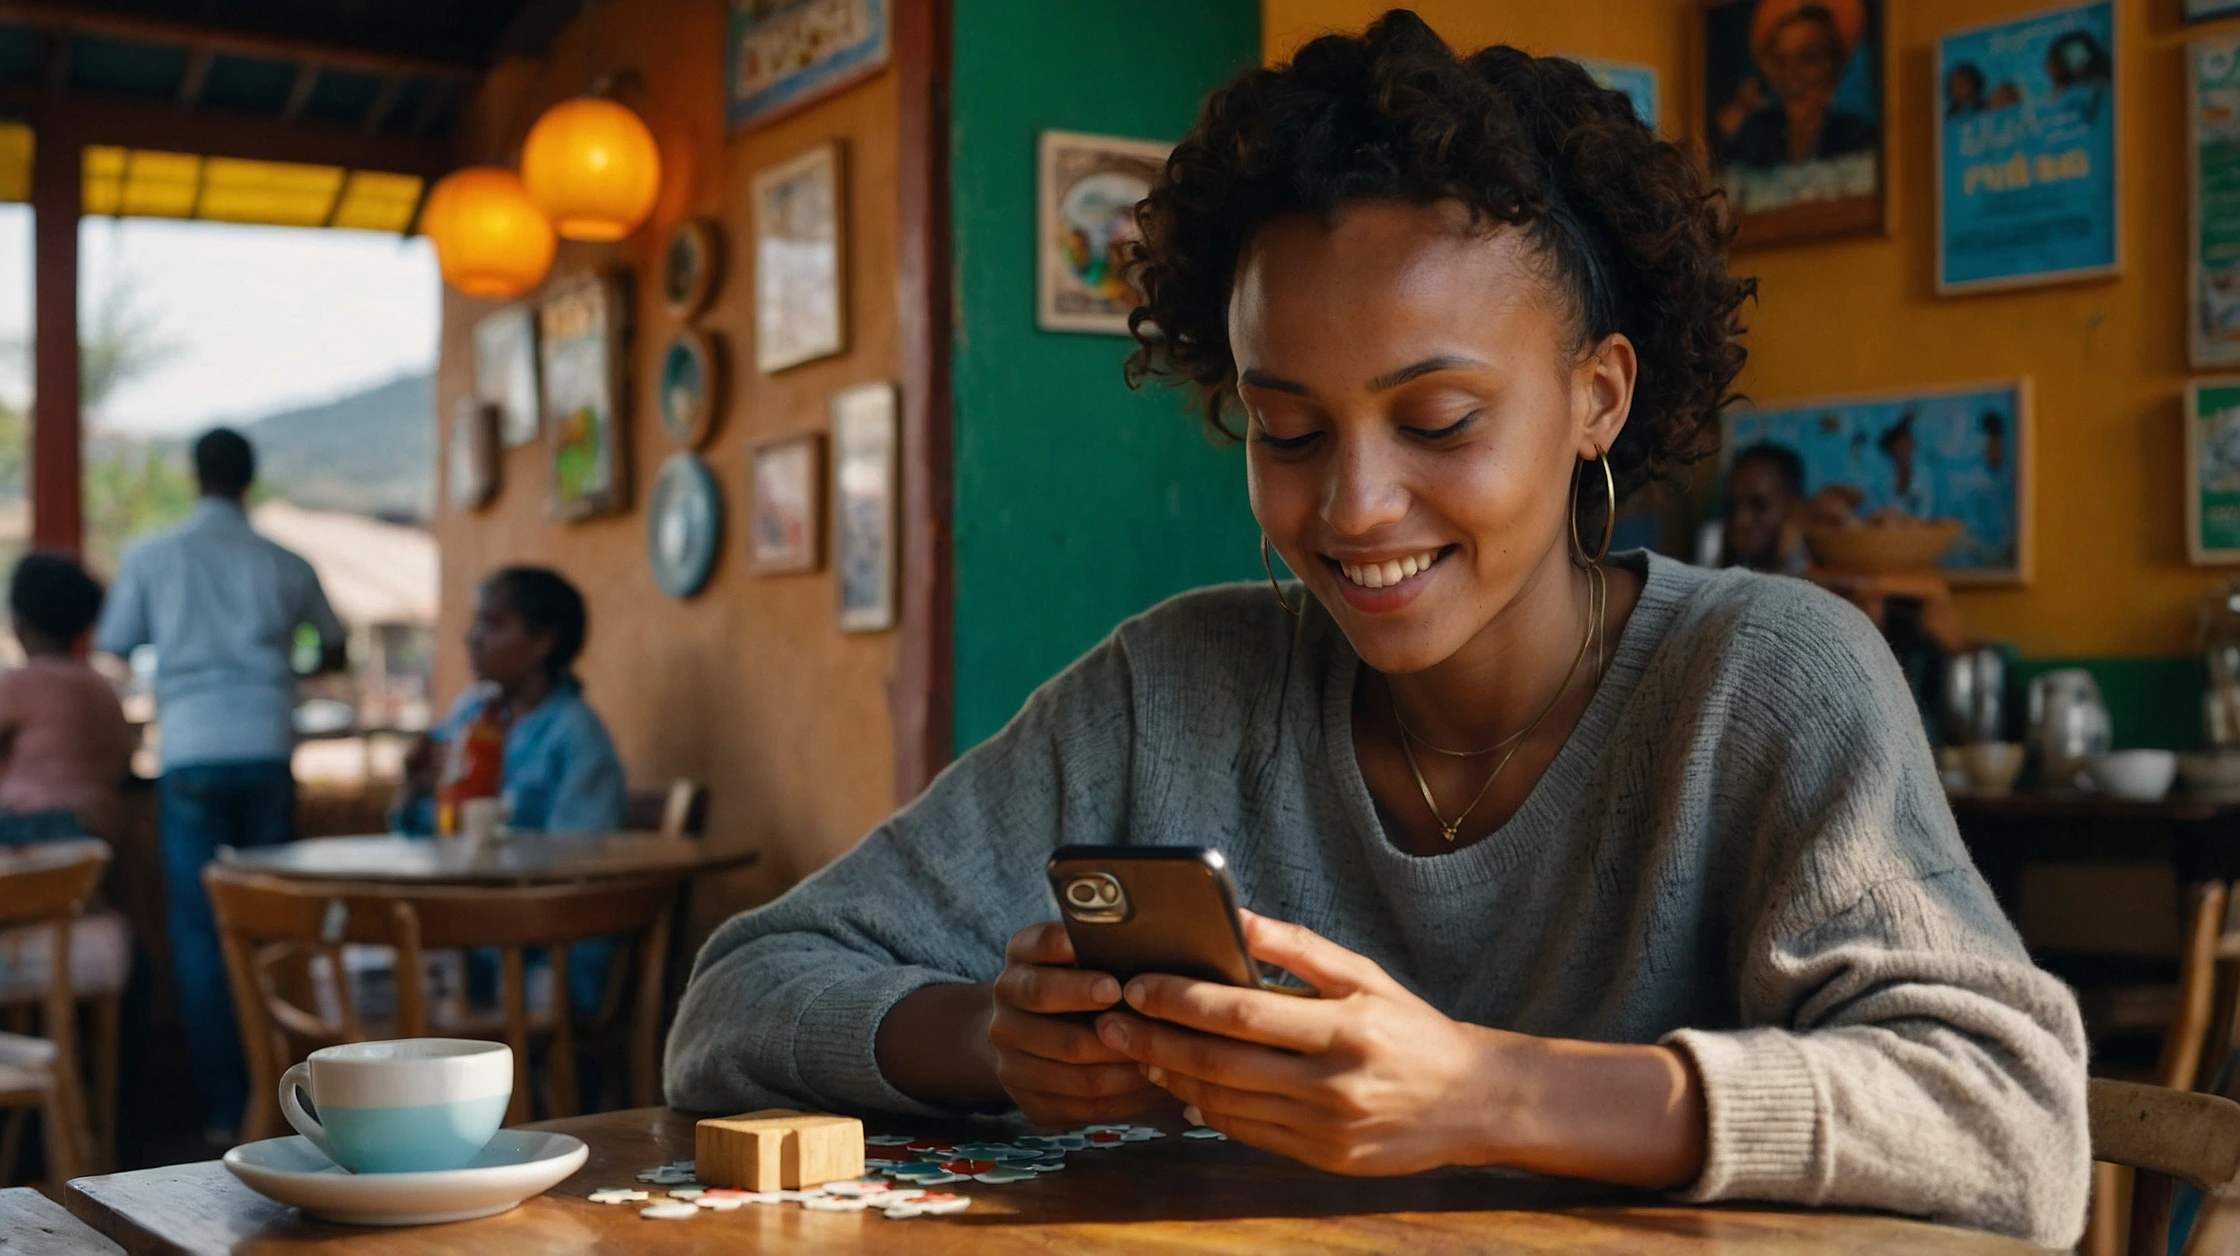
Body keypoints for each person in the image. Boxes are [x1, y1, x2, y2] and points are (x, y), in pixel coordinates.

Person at [665, 12, 2087, 1248]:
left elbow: (2015, 1130)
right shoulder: (1178, 686)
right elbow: (734, 1001)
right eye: (1286, 428)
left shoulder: (1766, 681)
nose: (1353, 506)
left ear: (1597, 398)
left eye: (1438, 421)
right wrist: (992, 1042)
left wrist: (1493, 1091)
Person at [93, 427, 346, 1142]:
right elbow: (334, 643)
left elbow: (114, 647)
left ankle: (221, 1110)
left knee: (202, 931)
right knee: (274, 921)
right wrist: (275, 672)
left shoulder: (152, 556)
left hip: (193, 747)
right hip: (266, 741)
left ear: (195, 476)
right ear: (249, 478)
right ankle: (287, 1093)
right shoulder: (284, 561)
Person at [394, 567, 624, 1015]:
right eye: (476, 622)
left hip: (546, 955)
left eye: (493, 623)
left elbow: (577, 869)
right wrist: (414, 787)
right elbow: (425, 837)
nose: (472, 637)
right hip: (469, 942)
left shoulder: (577, 738)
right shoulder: (471, 715)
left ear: (544, 641)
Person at [0, 553, 132, 844]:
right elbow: (123, 757)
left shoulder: (21, 683)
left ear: (21, 623)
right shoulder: (102, 687)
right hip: (100, 829)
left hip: (34, 826)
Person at [1719, 443, 1808, 574]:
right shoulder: (1726, 573)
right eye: (1731, 505)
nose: (1740, 520)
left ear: (1794, 508)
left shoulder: (1825, 580)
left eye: (1759, 505)